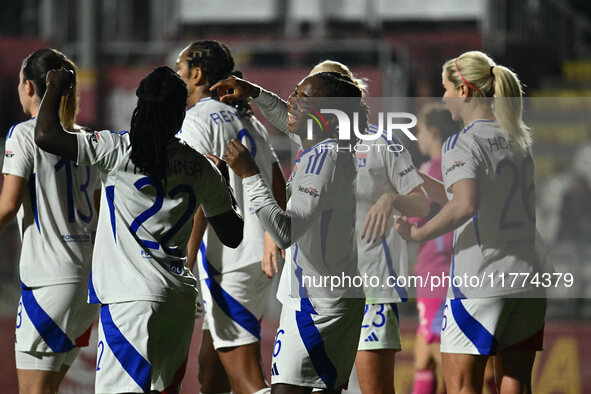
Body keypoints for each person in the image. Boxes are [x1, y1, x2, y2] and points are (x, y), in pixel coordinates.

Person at [34, 66, 243, 393]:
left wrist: (56, 86)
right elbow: (233, 235)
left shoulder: (117, 150)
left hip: (130, 300)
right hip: (179, 302)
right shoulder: (201, 166)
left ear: (140, 107)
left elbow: (46, 135)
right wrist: (226, 180)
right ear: (179, 114)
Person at [395, 51, 546, 394]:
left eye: (446, 88)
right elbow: (463, 194)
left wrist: (419, 233)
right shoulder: (519, 138)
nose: (443, 96)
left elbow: (464, 203)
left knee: (463, 386)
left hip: (481, 279)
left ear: (464, 90)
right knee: (516, 383)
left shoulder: (462, 142)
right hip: (527, 278)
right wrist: (413, 180)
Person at [214, 71, 367, 394]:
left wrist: (250, 175)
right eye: (295, 92)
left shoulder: (321, 159)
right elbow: (287, 119)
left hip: (317, 303)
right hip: (337, 296)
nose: (292, 101)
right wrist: (254, 91)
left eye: (304, 98)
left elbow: (286, 232)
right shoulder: (330, 145)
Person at [309, 61, 429, 394]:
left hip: (371, 286)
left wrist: (392, 199)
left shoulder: (383, 144)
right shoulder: (313, 146)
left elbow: (421, 202)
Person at [175, 40, 285, 394]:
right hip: (257, 255)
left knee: (247, 380)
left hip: (228, 258)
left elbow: (199, 194)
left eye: (180, 70)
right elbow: (278, 179)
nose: (178, 77)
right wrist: (274, 235)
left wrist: (184, 262)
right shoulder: (245, 115)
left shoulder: (195, 121)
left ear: (196, 73)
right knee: (211, 372)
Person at [0, 48, 100, 393]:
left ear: (29, 87)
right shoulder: (87, 139)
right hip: (87, 285)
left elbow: (8, 205)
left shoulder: (24, 134)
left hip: (49, 284)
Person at [409, 104, 457, 394]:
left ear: (434, 133)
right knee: (422, 355)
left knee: (443, 359)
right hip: (450, 272)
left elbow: (413, 216)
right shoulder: (460, 168)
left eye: (420, 131)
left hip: (437, 273)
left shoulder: (430, 171)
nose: (417, 137)